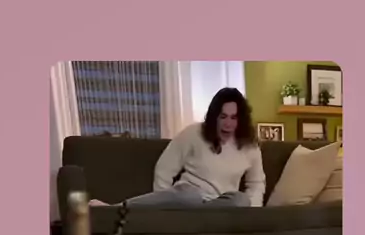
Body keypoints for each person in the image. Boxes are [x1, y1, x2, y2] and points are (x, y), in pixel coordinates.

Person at [103, 88, 266, 208]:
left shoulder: (250, 146)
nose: (228, 123)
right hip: (189, 202)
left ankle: (207, 218)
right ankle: (117, 208)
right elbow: (165, 168)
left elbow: (256, 183)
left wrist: (253, 214)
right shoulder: (194, 133)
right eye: (223, 117)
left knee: (241, 200)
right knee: (190, 195)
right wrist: (162, 206)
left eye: (233, 118)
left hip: (220, 207)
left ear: (241, 120)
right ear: (214, 117)